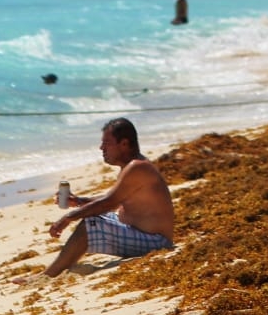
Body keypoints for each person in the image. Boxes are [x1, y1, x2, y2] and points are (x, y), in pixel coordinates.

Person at [30, 117, 174, 279]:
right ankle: (58, 268)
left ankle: (49, 275)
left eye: (107, 143)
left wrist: (68, 217)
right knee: (92, 216)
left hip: (156, 243)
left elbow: (108, 203)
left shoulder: (137, 168)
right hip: (147, 236)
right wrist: (78, 201)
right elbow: (111, 199)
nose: (101, 148)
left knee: (90, 224)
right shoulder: (133, 165)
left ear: (124, 144)